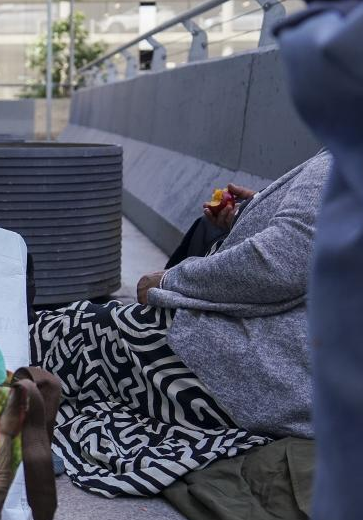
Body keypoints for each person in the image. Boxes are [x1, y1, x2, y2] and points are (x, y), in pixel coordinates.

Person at [31, 150, 331, 497]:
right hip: (292, 371)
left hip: (267, 371)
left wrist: (168, 282)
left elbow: (279, 263)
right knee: (89, 329)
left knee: (80, 330)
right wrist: (253, 210)